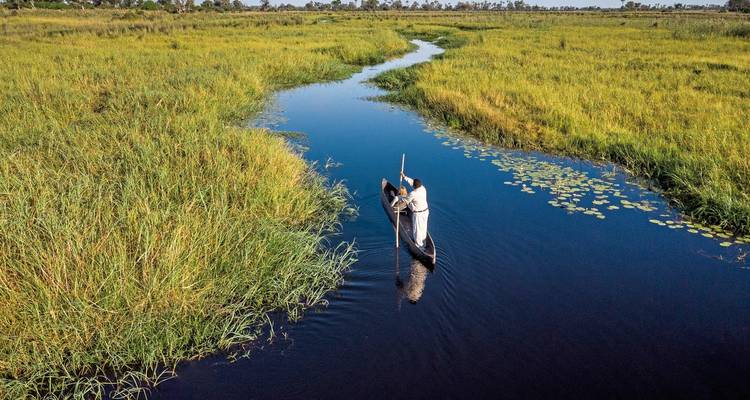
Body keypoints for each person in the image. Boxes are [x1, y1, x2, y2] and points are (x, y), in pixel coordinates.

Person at [400, 172, 429, 248]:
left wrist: (400, 197)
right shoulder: (423, 188)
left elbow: (405, 201)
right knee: (423, 228)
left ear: (414, 186)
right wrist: (404, 177)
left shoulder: (413, 193)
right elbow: (412, 182)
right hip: (426, 212)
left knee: (417, 230)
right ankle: (424, 243)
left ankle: (419, 247)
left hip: (418, 214)